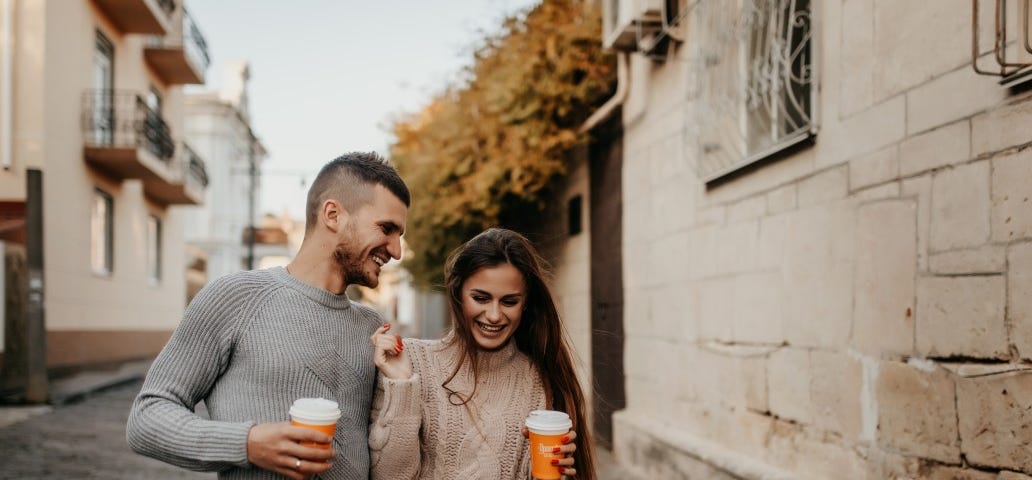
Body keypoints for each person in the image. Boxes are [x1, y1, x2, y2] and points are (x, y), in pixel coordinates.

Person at [127, 152, 410, 480]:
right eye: (387, 229)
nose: (396, 250)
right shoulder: (236, 298)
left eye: (399, 236)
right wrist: (247, 443)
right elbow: (147, 419)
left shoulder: (373, 329)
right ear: (333, 215)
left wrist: (402, 385)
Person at [368, 227, 596, 479]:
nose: (495, 315)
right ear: (457, 293)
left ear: (525, 304)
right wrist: (401, 386)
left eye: (509, 301)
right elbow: (388, 476)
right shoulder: (410, 363)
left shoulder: (538, 380)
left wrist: (554, 473)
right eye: (481, 298)